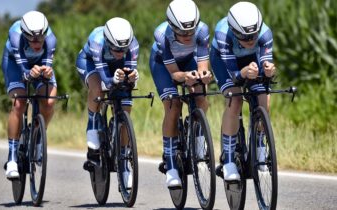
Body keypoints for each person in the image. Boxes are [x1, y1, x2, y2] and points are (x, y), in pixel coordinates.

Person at [149, 0, 212, 188]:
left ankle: (199, 141)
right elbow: (175, 75)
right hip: (164, 66)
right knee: (173, 104)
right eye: (183, 32)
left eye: (191, 30)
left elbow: (202, 66)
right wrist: (185, 77)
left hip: (188, 61)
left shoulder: (202, 30)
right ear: (172, 26)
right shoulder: (162, 35)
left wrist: (204, 75)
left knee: (201, 96)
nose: (188, 35)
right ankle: (170, 163)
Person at [210, 1, 276, 181]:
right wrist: (244, 73)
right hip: (225, 63)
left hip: (251, 59)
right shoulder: (223, 33)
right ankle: (229, 160)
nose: (250, 40)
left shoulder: (265, 33)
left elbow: (265, 63)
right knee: (235, 100)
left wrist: (269, 70)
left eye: (253, 36)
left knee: (264, 97)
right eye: (244, 37)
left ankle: (259, 146)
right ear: (234, 30)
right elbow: (234, 75)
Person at [76, 17, 139, 188]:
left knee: (126, 107)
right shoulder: (97, 41)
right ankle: (92, 126)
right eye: (116, 48)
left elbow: (130, 73)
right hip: (91, 64)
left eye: (123, 49)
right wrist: (113, 80)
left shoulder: (133, 45)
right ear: (107, 41)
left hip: (115, 67)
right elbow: (106, 79)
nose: (120, 52)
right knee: (98, 89)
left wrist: (132, 78)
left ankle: (124, 163)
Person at [1, 11, 57, 179]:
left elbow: (46, 67)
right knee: (19, 103)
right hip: (15, 66)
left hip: (38, 65)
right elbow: (24, 71)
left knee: (48, 101)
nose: (37, 42)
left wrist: (46, 72)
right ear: (25, 34)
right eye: (32, 39)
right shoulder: (15, 35)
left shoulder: (51, 39)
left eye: (40, 38)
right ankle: (12, 157)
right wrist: (29, 74)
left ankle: (39, 137)